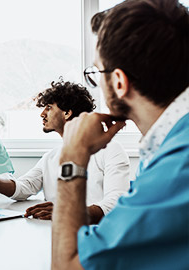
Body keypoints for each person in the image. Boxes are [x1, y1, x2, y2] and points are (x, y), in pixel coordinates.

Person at [52, 0, 189, 269]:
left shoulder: (178, 165)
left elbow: (67, 266)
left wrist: (72, 157)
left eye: (96, 73)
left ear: (118, 81)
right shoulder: (172, 143)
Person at [0, 80, 130, 224]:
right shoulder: (50, 157)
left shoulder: (110, 150)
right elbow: (23, 188)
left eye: (49, 108)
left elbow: (117, 203)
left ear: (67, 113)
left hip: (94, 234)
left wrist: (69, 212)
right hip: (53, 233)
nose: (42, 114)